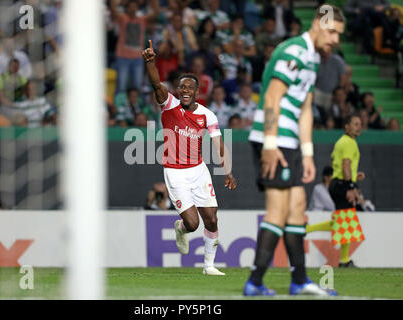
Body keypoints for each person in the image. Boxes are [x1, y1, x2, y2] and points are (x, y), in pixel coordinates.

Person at [244, 4, 345, 296]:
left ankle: (299, 280)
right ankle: (254, 283)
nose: (336, 40)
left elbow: (305, 109)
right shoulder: (294, 51)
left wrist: (309, 153)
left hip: (292, 145)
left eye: (339, 34)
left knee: (298, 209)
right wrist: (270, 144)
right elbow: (273, 97)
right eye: (332, 31)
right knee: (277, 213)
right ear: (317, 23)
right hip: (274, 141)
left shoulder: (313, 58)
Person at [142, 39, 237, 276]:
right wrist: (151, 64)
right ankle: (181, 228)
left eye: (189, 88)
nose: (185, 91)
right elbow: (156, 85)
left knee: (212, 219)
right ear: (177, 90)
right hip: (175, 172)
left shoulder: (207, 115)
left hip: (198, 170)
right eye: (181, 87)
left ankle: (208, 266)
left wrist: (227, 171)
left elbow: (218, 143)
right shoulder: (169, 105)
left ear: (197, 91)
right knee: (193, 224)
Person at [306, 114, 366, 268]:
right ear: (347, 127)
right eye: (355, 123)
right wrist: (350, 186)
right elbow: (345, 165)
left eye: (359, 124)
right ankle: (344, 260)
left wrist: (353, 176)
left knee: (344, 221)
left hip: (337, 183)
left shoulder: (340, 141)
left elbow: (336, 164)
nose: (358, 126)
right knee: (346, 221)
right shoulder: (349, 143)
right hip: (342, 184)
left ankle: (308, 229)